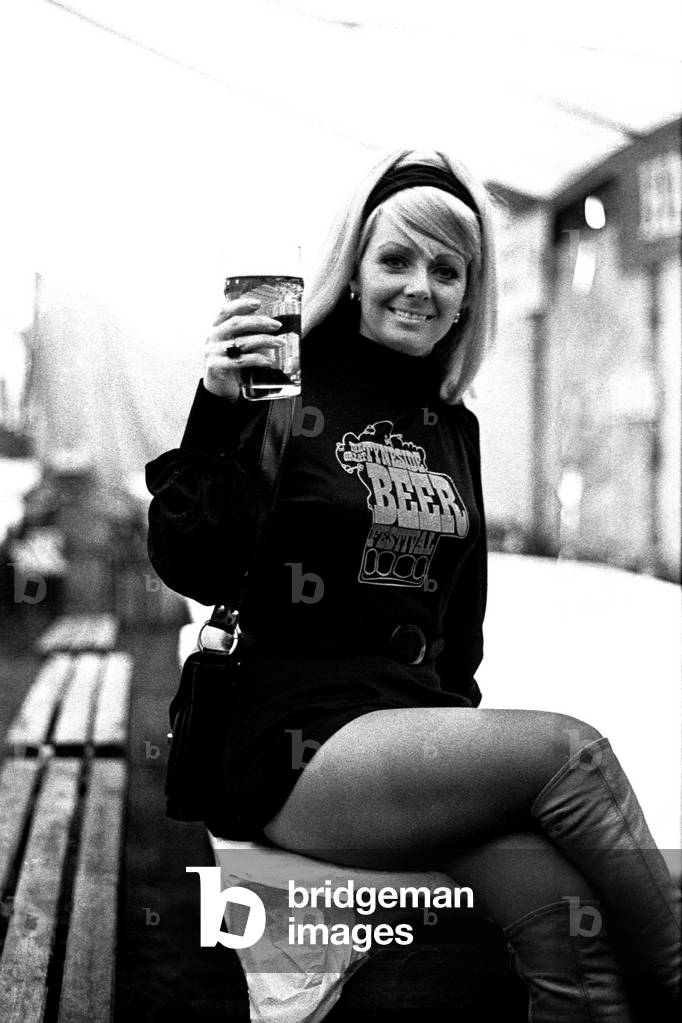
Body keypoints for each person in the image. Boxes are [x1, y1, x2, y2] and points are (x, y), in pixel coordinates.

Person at [145, 148, 680, 1021]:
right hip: (297, 743)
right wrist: (219, 406)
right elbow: (193, 562)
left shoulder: (453, 422)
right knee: (571, 750)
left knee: (568, 928)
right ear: (354, 271)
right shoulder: (283, 380)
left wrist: (461, 768)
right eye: (396, 259)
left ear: (471, 295)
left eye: (447, 268)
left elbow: (458, 630)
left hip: (406, 742)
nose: (419, 286)